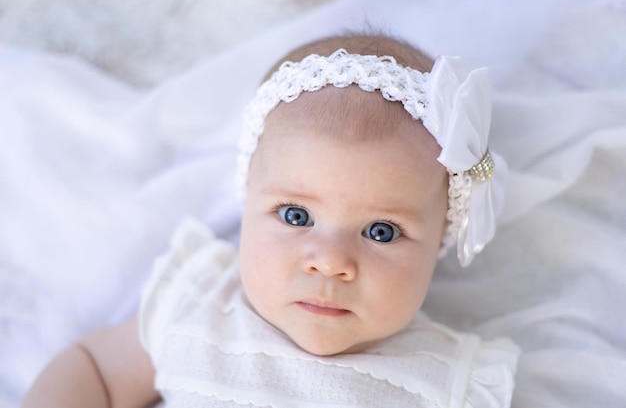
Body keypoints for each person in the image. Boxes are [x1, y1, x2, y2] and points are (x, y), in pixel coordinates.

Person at [21, 33, 520, 408]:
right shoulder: (198, 303)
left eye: (381, 231)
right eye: (296, 215)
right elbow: (95, 370)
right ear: (247, 204)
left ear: (439, 242)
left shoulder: (449, 380)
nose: (330, 262)